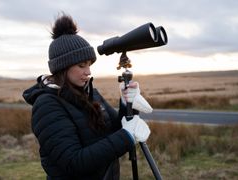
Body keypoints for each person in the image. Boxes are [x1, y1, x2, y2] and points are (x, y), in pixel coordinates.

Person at [23, 14, 152, 180]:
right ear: (63, 67)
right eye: (81, 65)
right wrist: (126, 136)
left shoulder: (90, 92)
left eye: (89, 65)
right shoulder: (46, 105)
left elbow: (116, 129)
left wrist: (128, 103)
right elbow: (73, 163)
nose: (88, 72)